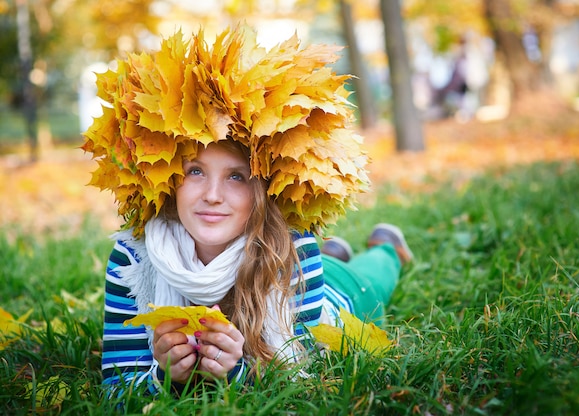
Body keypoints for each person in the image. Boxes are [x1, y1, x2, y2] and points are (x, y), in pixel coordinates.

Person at [82, 25, 412, 396]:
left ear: (262, 190)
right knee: (333, 261)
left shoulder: (293, 251)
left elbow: (299, 381)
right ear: (169, 178)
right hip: (304, 273)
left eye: (237, 177)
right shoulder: (133, 258)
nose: (212, 195)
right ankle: (336, 253)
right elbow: (116, 387)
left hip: (330, 296)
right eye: (195, 171)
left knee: (370, 281)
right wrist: (166, 376)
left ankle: (387, 247)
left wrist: (235, 372)